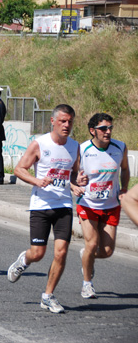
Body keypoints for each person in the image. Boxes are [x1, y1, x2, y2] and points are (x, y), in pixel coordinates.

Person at [7, 104, 83, 314]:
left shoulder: (75, 147)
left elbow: (74, 174)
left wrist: (77, 184)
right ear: (53, 121)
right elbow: (19, 169)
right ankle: (24, 260)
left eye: (70, 122)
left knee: (61, 252)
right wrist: (37, 181)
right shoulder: (39, 144)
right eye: (63, 121)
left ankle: (48, 296)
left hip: (64, 206)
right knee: (38, 253)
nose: (67, 125)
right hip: (41, 206)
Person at [75, 113, 129, 299]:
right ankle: (87, 284)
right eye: (103, 129)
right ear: (93, 131)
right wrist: (76, 182)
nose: (108, 132)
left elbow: (125, 169)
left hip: (111, 204)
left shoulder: (120, 147)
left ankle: (86, 257)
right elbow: (71, 173)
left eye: (110, 128)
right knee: (92, 243)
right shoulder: (82, 149)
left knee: (106, 251)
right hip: (88, 203)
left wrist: (124, 189)